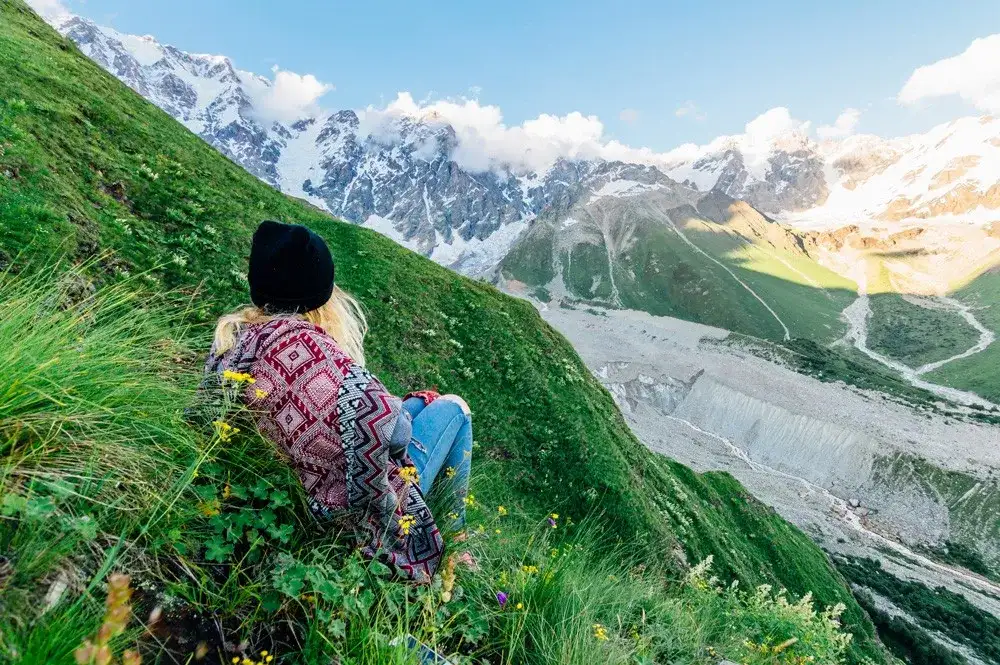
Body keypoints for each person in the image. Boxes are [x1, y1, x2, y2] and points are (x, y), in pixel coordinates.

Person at [201, 220, 472, 582]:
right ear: (320, 294)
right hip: (347, 508)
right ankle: (457, 538)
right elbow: (392, 433)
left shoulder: (236, 341)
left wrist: (404, 405)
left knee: (418, 406)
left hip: (286, 481)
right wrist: (399, 409)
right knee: (455, 408)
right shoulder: (320, 355)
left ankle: (421, 414)